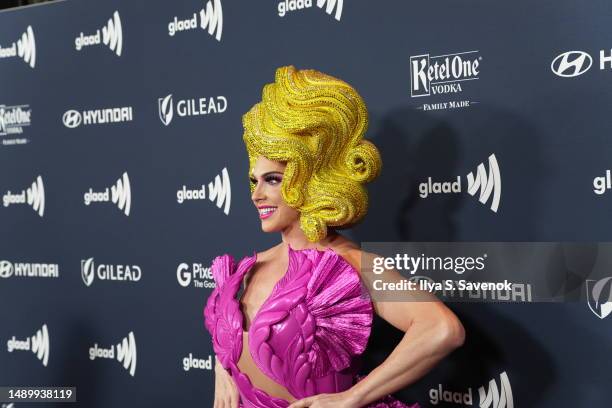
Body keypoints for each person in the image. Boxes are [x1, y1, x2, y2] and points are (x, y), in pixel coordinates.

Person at [204, 65, 465, 408]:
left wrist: (352, 398)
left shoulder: (351, 266)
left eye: (273, 180)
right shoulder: (252, 267)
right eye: (255, 180)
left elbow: (442, 330)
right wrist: (224, 367)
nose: (256, 195)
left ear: (311, 179)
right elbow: (235, 339)